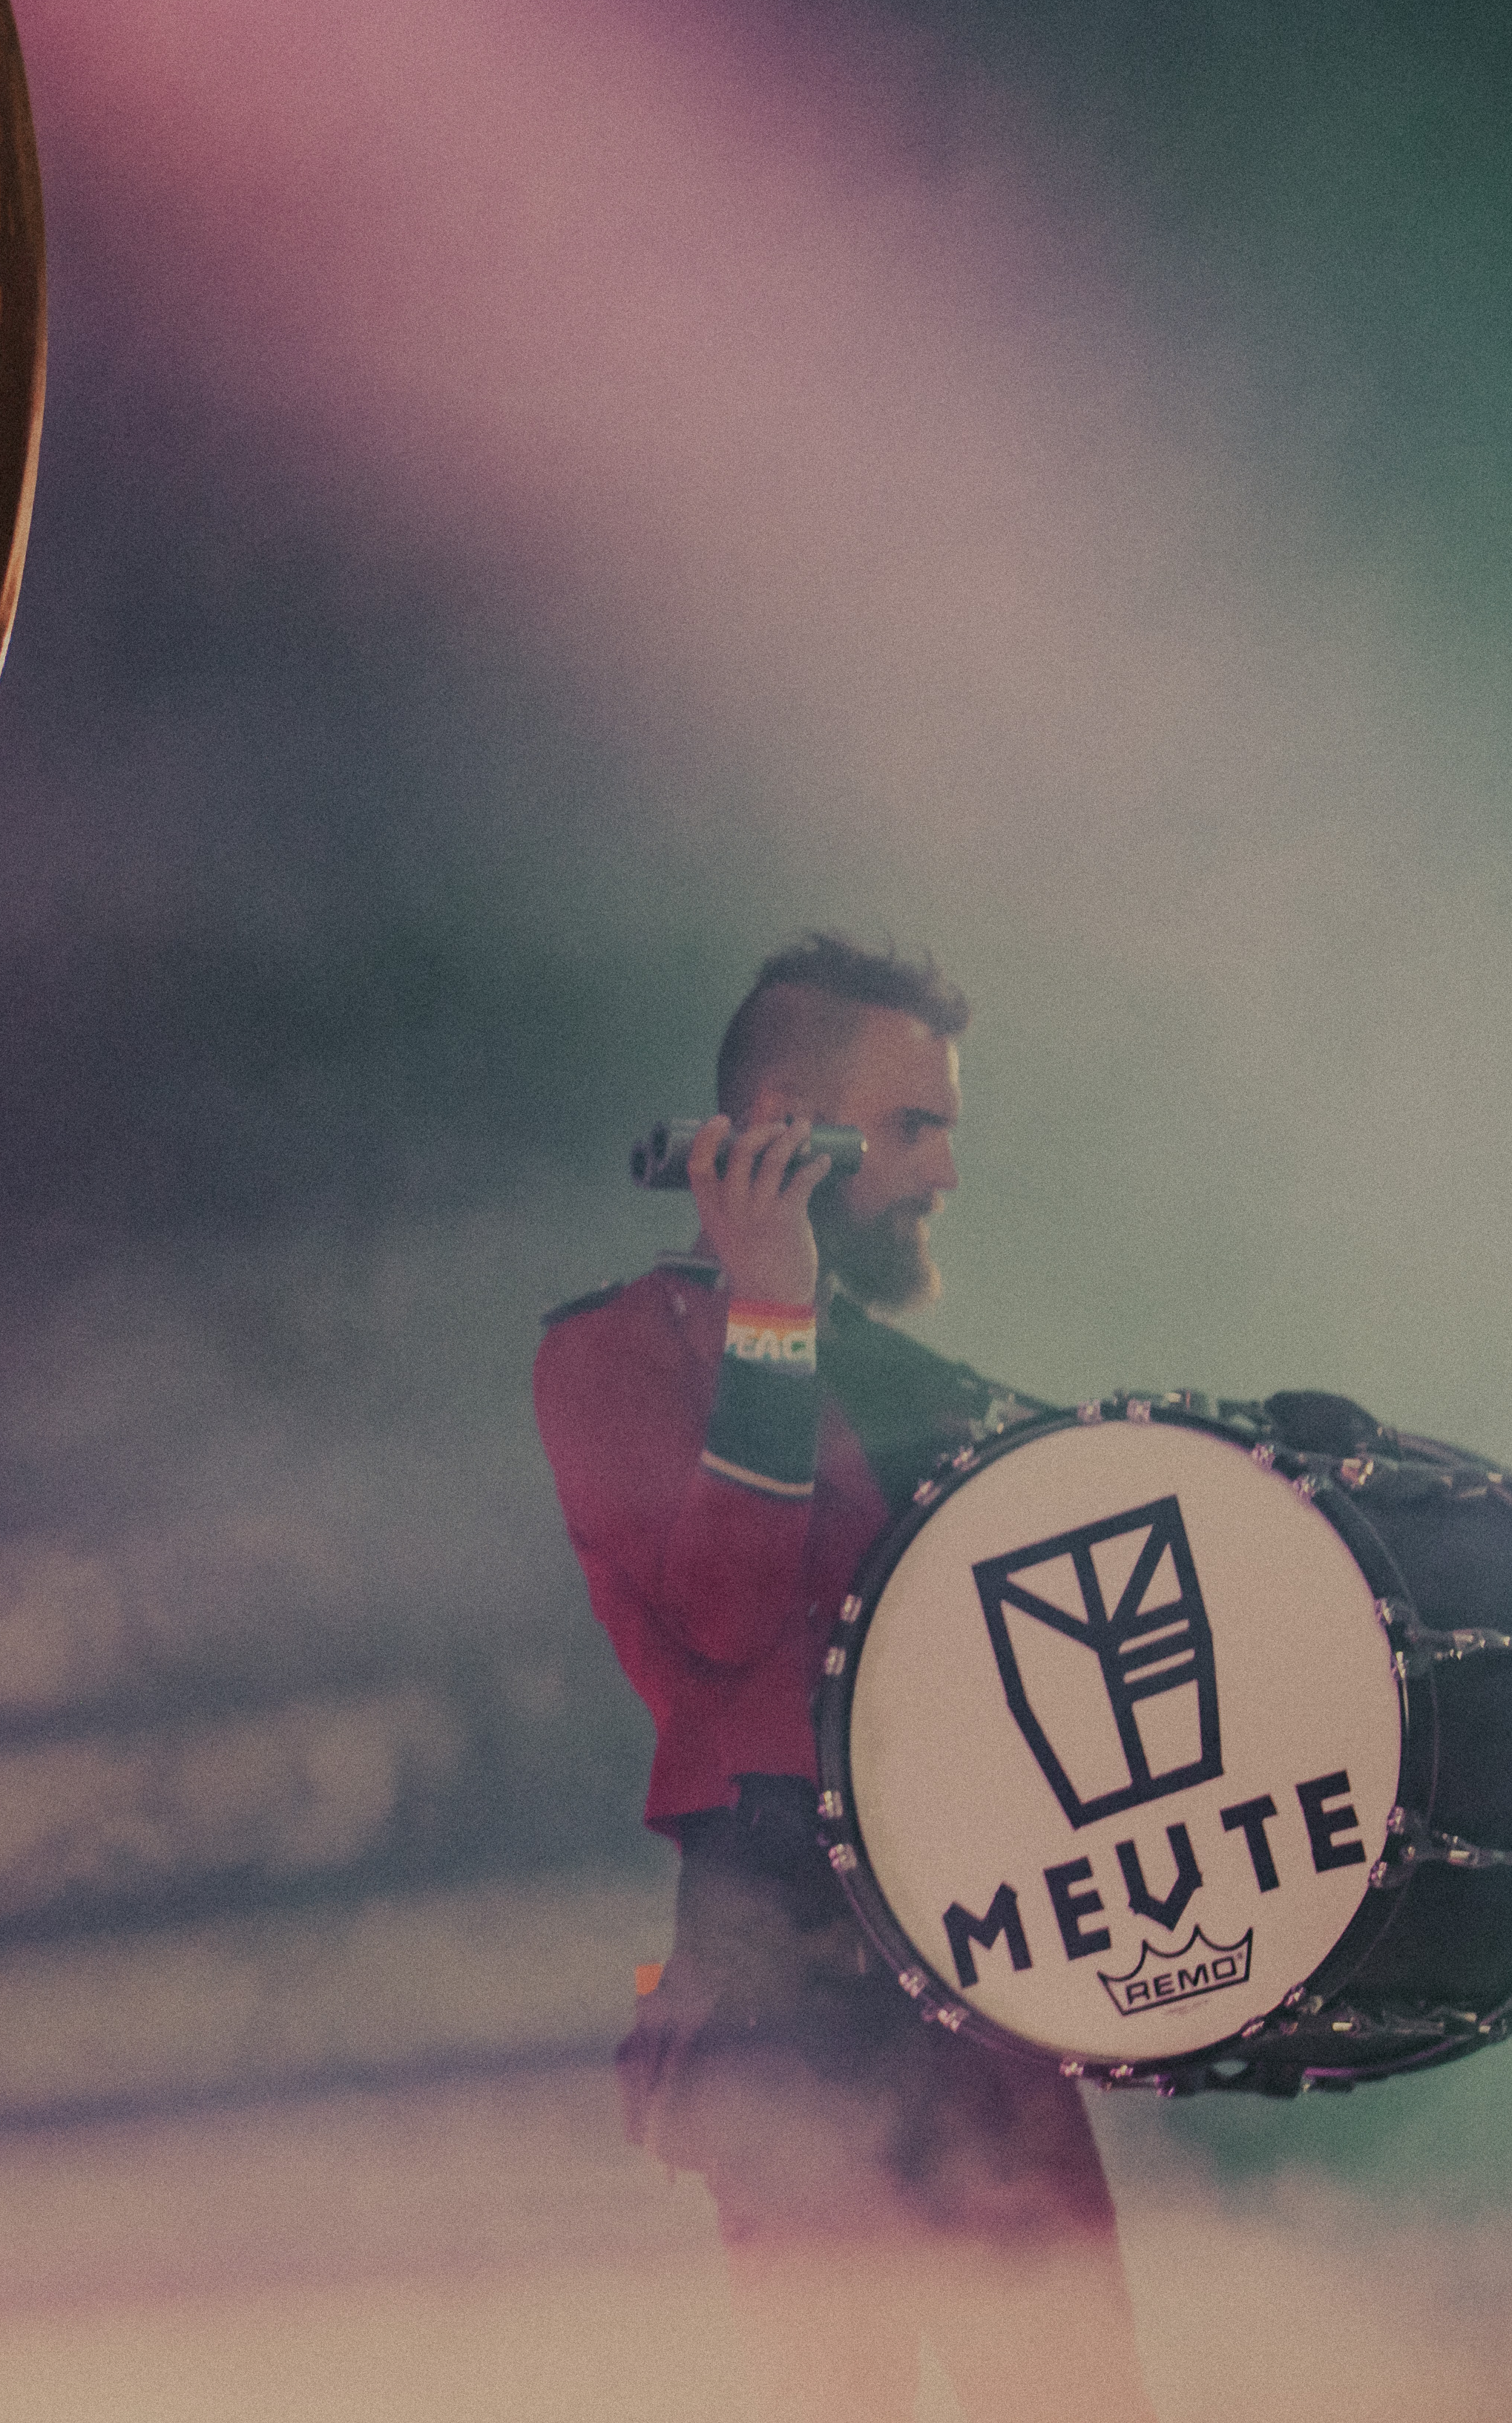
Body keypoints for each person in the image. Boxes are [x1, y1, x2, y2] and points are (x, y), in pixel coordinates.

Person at [531, 936, 1157, 2423]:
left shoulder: (914, 1381)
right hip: (793, 1996)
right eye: (914, 1127)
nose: (946, 1170)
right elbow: (729, 1623)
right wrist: (765, 1306)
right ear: (786, 1131)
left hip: (987, 1976)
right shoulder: (621, 1350)